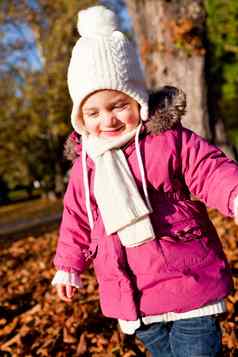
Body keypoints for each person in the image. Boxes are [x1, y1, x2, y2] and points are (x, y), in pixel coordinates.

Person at [52, 5, 238, 356]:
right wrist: (68, 266)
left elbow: (209, 169)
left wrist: (233, 195)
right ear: (80, 117)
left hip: (189, 284)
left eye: (118, 105)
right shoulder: (85, 167)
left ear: (138, 100)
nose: (107, 120)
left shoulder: (166, 140)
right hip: (135, 301)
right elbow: (75, 219)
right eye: (93, 112)